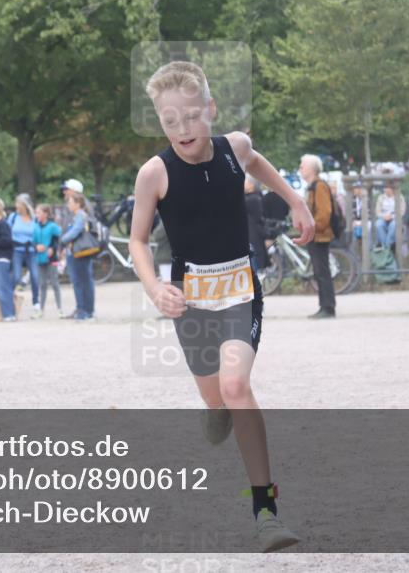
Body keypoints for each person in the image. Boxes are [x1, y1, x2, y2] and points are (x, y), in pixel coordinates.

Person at [127, 61, 310, 552]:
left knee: (235, 385)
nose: (183, 129)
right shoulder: (154, 174)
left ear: (209, 109)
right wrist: (153, 288)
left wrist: (296, 201)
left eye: (191, 116)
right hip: (190, 301)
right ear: (159, 123)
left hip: (240, 290)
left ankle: (266, 510)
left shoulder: (235, 148)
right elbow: (138, 241)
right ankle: (214, 408)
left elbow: (259, 164)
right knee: (215, 397)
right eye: (170, 121)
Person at [299, 155, 337, 319]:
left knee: (322, 271)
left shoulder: (319, 186)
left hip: (320, 235)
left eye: (303, 166)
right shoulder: (312, 186)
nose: (300, 168)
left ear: (312, 169)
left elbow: (324, 213)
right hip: (316, 235)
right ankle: (325, 305)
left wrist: (312, 228)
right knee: (320, 271)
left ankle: (328, 307)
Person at [60, 193, 97, 321]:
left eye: (70, 202)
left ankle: (84, 311)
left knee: (81, 282)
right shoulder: (77, 216)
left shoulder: (80, 216)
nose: (68, 205)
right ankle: (85, 310)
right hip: (74, 253)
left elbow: (75, 232)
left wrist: (62, 240)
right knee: (80, 281)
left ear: (78, 204)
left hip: (79, 254)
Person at [9, 194, 40, 313]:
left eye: (19, 203)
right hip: (17, 250)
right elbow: (7, 231)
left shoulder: (35, 218)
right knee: (16, 276)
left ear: (25, 205)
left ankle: (36, 301)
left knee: (35, 277)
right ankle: (13, 299)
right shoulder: (13, 217)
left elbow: (39, 233)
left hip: (31, 251)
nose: (16, 206)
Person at [33, 203, 63, 317]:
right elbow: (33, 241)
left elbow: (58, 239)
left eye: (38, 212)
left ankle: (60, 309)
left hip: (52, 258)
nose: (37, 215)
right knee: (42, 284)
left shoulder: (53, 226)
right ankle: (41, 310)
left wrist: (52, 248)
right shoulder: (35, 227)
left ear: (45, 214)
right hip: (40, 258)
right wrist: (36, 247)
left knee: (55, 283)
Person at [244, 176, 269, 272]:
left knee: (256, 267)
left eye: (245, 182)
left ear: (251, 185)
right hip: (254, 236)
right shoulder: (257, 196)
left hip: (254, 237)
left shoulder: (252, 199)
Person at [374, 183, 398, 248]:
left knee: (393, 225)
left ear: (392, 189)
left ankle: (386, 247)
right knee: (378, 224)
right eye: (384, 188)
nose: (385, 190)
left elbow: (402, 211)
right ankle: (386, 247)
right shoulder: (380, 197)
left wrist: (392, 216)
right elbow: (377, 211)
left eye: (387, 188)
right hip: (383, 217)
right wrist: (383, 216)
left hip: (395, 217)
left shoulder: (399, 197)